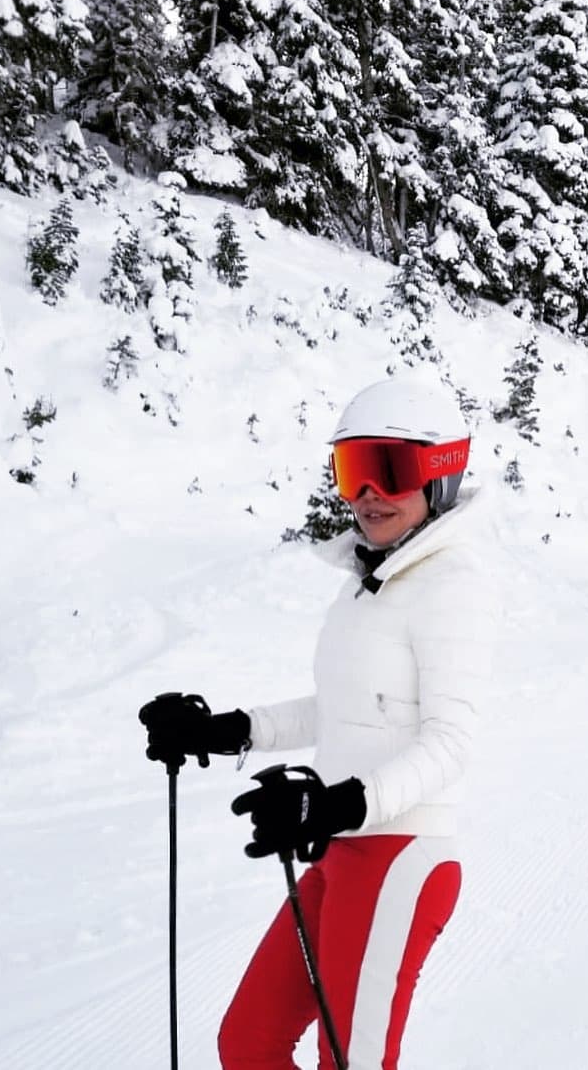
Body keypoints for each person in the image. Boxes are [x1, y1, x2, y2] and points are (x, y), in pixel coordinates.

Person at [139, 376, 495, 1070]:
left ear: (440, 472)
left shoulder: (453, 584)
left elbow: (451, 741)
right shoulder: (368, 584)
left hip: (400, 853)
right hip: (341, 848)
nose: (366, 494)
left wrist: (337, 802)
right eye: (352, 471)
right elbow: (336, 709)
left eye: (386, 469)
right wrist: (228, 729)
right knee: (248, 1041)